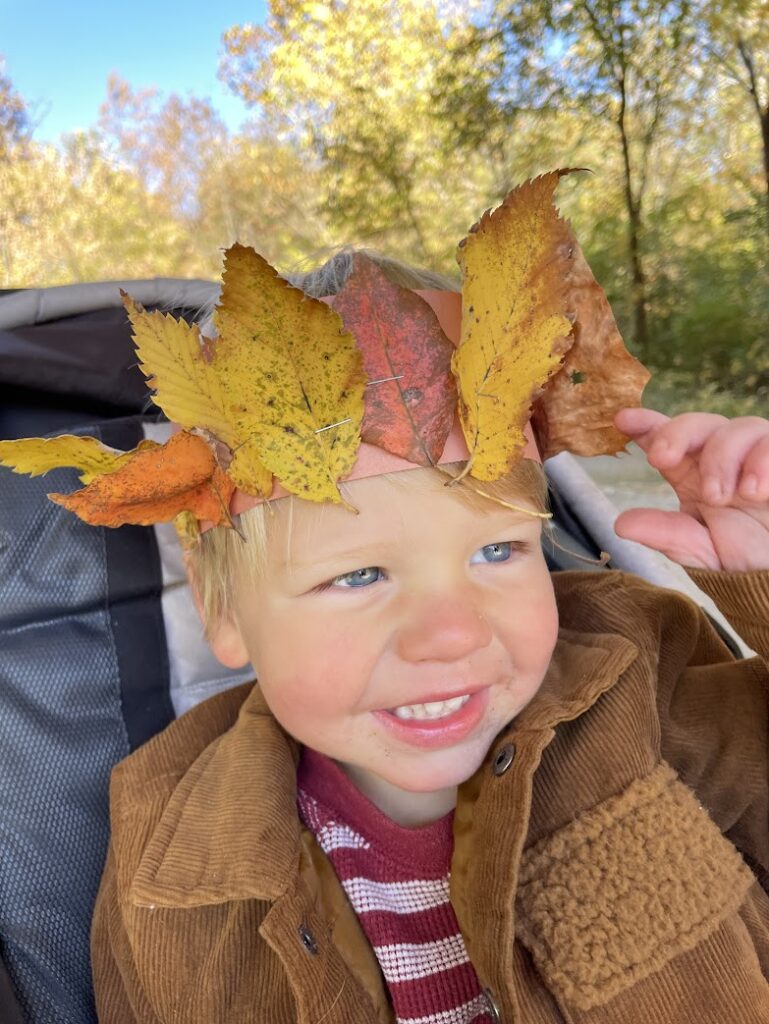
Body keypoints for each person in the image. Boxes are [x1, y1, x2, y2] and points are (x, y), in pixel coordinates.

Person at [2, 180, 767, 1023]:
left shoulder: (640, 682)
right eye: (358, 576)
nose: (451, 633)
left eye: (497, 549)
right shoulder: (171, 853)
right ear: (226, 615)